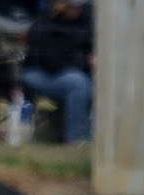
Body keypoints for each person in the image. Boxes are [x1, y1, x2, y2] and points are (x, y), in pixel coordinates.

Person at [20, 0, 93, 143]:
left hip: (75, 72)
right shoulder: (44, 24)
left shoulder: (86, 23)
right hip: (39, 73)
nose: (77, 10)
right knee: (78, 83)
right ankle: (73, 139)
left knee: (95, 83)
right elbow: (51, 63)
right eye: (72, 7)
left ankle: (94, 139)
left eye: (79, 7)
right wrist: (86, 62)